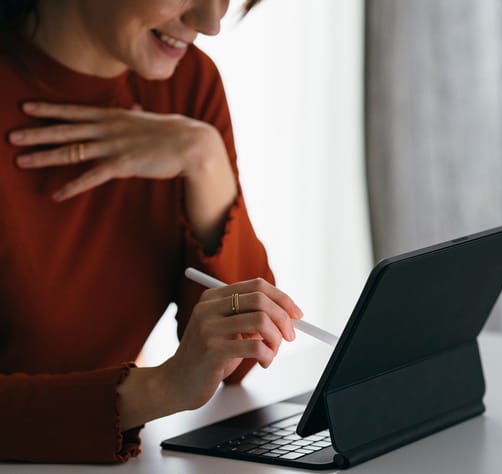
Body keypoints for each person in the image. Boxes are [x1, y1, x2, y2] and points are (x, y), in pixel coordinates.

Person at [0, 0, 303, 463]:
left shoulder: (187, 87)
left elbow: (240, 359)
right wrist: (157, 388)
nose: (211, 23)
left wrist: (206, 161)